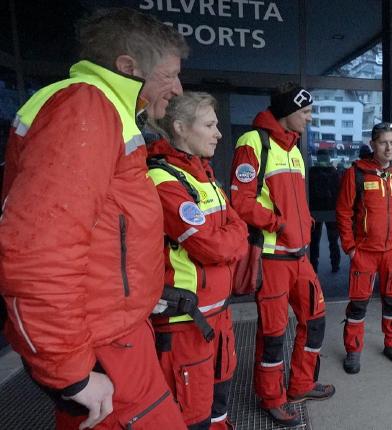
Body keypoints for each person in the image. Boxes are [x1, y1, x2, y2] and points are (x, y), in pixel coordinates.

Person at [0, 8, 187, 429]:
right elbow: (38, 251)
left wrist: (141, 294)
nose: (177, 88)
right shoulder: (86, 107)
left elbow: (108, 232)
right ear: (128, 67)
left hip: (115, 333)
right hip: (103, 345)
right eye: (169, 75)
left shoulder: (108, 112)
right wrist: (70, 371)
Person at [230, 82, 335, 426]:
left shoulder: (292, 147)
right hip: (273, 258)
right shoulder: (254, 142)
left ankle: (301, 385)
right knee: (273, 335)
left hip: (299, 257)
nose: (309, 118)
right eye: (305, 112)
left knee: (315, 321)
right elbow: (241, 201)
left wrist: (299, 226)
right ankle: (270, 396)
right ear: (288, 111)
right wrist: (278, 223)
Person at [148, 92, 249, 429]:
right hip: (185, 325)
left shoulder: (204, 174)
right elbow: (212, 246)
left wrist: (231, 237)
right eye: (209, 124)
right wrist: (233, 238)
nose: (219, 133)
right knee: (192, 416)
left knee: (219, 399)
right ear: (179, 127)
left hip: (216, 315)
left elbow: (237, 225)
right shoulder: (164, 180)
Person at [335, 122, 392, 374]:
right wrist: (350, 247)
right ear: (373, 144)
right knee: (358, 305)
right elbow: (344, 212)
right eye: (383, 142)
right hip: (365, 253)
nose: (388, 147)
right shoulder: (356, 173)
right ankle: (353, 350)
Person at [308, 149, 341, 273]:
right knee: (333, 241)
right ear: (327, 158)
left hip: (314, 211)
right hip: (331, 210)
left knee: (314, 241)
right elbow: (338, 191)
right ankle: (335, 265)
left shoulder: (311, 172)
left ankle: (313, 266)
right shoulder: (333, 172)